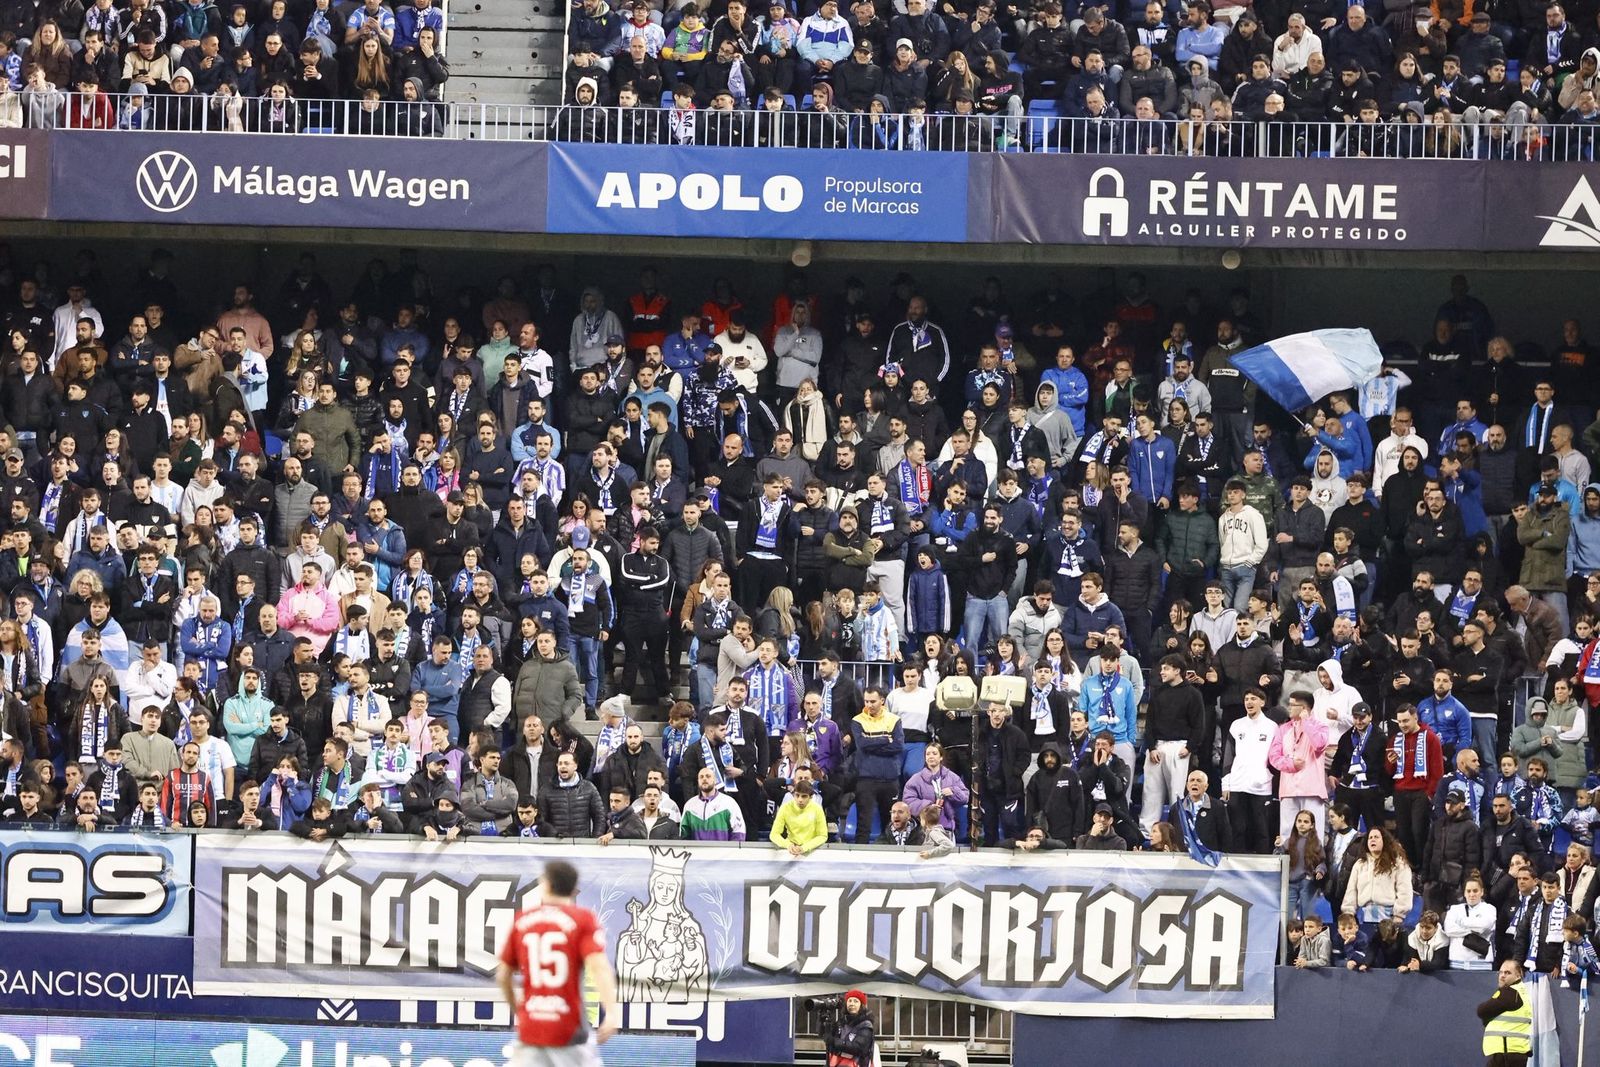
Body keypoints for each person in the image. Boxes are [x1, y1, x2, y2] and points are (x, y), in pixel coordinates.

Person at [495, 859, 621, 1065]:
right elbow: (599, 968)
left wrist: (519, 1011)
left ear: (547, 885)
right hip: (568, 1029)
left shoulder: (523, 920)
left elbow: (503, 975)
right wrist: (612, 1013)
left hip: (531, 1027)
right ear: (573, 890)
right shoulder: (583, 919)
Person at [820, 990, 876, 1067]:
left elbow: (858, 1048)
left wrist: (834, 1041)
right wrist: (822, 1022)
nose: (852, 1004)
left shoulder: (866, 1025)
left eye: (856, 1001)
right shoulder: (842, 1022)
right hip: (837, 1063)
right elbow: (825, 1036)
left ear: (861, 1005)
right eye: (849, 1001)